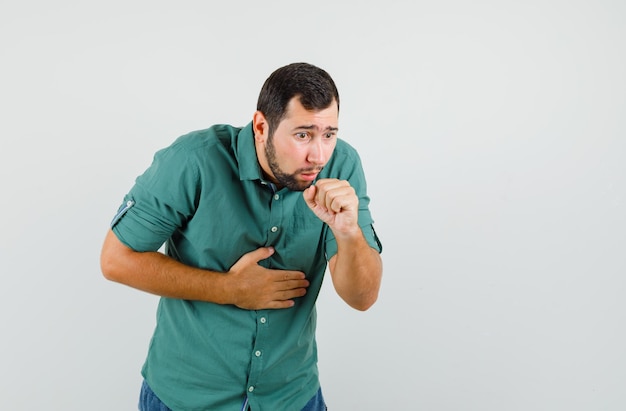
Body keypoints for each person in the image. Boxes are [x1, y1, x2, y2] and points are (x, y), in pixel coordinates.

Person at [100, 62, 383, 411]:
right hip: (187, 398)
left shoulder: (342, 166)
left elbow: (362, 297)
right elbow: (116, 260)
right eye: (303, 135)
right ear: (261, 126)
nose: (319, 155)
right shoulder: (192, 161)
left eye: (329, 134)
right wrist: (230, 289)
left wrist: (348, 233)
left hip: (291, 397)